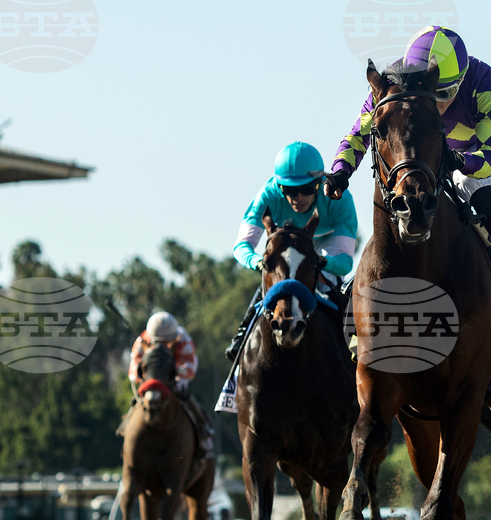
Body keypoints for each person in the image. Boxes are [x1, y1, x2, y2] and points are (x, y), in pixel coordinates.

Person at [324, 25, 491, 306]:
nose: (434, 103)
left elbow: (490, 158)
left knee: (470, 183)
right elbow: (358, 135)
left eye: (444, 93)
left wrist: (458, 161)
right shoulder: (390, 83)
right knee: (391, 185)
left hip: (466, 156)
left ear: (461, 81)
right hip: (419, 155)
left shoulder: (485, 84)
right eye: (427, 90)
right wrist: (340, 171)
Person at [224, 141, 358, 367]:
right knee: (275, 280)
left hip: (326, 241)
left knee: (329, 283)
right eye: (290, 190)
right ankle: (240, 339)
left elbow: (344, 263)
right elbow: (241, 246)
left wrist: (319, 261)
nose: (298, 197)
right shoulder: (268, 195)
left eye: (307, 189)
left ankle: (353, 347)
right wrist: (260, 262)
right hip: (287, 243)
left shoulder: (339, 200)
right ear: (279, 187)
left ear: (320, 183)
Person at [122, 312, 215, 472]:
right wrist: (145, 373)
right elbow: (133, 370)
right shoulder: (142, 340)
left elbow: (190, 369)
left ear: (174, 338)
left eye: (165, 342)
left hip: (175, 379)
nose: (162, 345)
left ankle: (203, 427)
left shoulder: (183, 340)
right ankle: (125, 426)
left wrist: (169, 372)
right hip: (150, 381)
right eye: (158, 342)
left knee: (184, 396)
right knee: (138, 400)